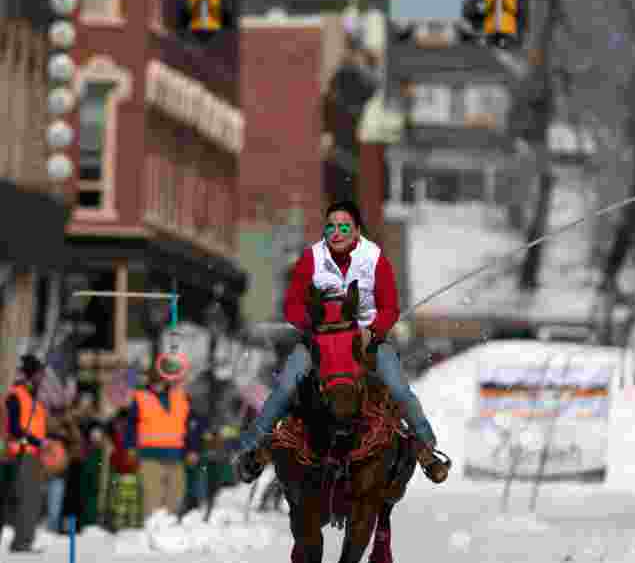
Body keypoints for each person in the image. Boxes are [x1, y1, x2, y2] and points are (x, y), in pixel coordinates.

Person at [233, 200, 449, 484]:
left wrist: (373, 329)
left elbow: (390, 308)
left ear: (357, 230)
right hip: (320, 343)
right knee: (286, 386)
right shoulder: (311, 259)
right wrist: (312, 326)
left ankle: (426, 449)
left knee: (398, 388)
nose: (337, 232)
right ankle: (253, 449)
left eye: (344, 226)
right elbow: (293, 306)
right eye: (331, 226)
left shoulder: (375, 259)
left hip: (365, 341)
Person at [123, 360, 201, 519]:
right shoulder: (140, 398)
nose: (158, 382)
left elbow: (191, 425)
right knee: (153, 500)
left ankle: (169, 536)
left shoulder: (181, 397)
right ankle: (152, 535)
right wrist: (130, 447)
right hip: (149, 457)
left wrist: (193, 449)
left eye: (161, 379)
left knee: (175, 499)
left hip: (176, 457)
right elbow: (130, 425)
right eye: (155, 379)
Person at [2, 355, 49, 553]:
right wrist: (36, 441)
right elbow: (13, 427)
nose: (42, 378)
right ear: (31, 374)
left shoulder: (33, 397)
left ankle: (26, 539)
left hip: (35, 453)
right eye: (39, 374)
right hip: (23, 452)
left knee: (33, 498)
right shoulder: (16, 395)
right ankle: (21, 542)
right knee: (25, 498)